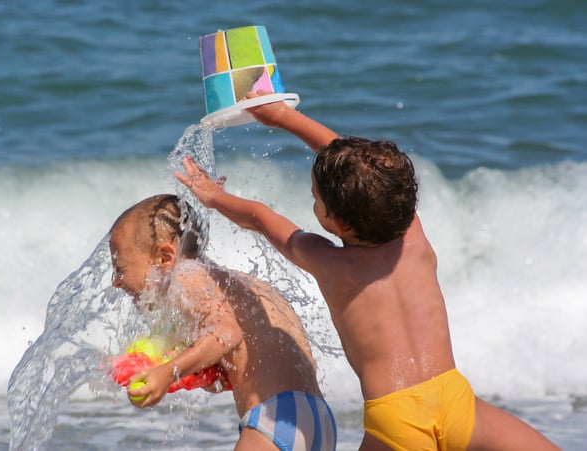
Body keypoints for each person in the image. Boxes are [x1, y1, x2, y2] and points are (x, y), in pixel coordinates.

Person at [174, 93, 560, 450]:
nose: (313, 200)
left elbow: (261, 218)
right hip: (457, 403)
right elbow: (359, 167)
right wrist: (283, 117)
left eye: (315, 198)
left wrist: (214, 196)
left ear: (335, 221)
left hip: (396, 422)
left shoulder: (330, 263)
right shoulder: (413, 237)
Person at [109, 194, 337, 451]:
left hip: (273, 418)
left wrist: (167, 372)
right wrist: (207, 376)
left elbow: (228, 334)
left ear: (164, 257)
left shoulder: (187, 277)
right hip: (316, 418)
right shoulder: (233, 284)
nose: (115, 281)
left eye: (119, 267)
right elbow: (246, 357)